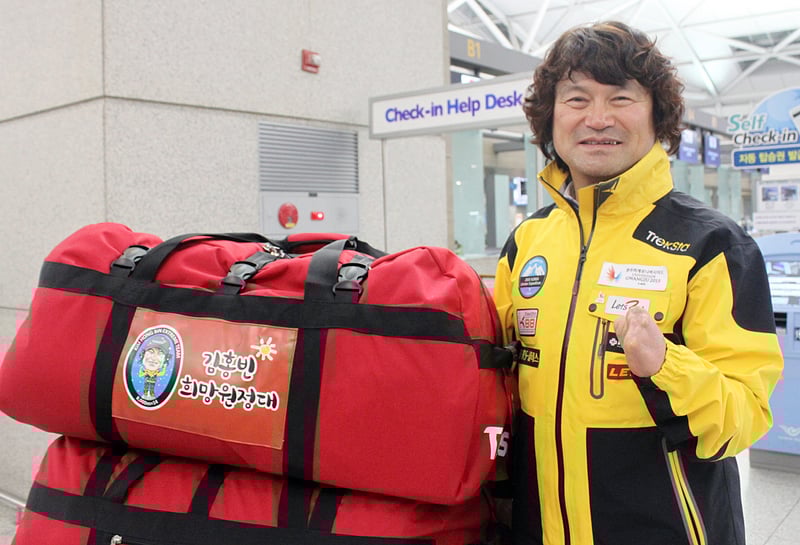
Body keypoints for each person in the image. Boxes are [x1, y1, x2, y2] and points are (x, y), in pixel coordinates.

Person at [493, 21, 783, 545]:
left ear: (657, 115)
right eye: (576, 99)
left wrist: (665, 364)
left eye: (621, 98)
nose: (597, 118)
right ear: (550, 117)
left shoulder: (711, 245)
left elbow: (743, 418)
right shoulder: (527, 242)